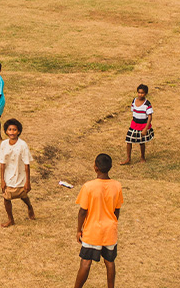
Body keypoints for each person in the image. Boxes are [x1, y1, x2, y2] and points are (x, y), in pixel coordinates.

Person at [73, 153, 123, 288]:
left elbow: (83, 211)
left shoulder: (89, 186)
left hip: (92, 231)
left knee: (85, 262)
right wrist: (112, 222)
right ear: (110, 167)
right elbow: (117, 210)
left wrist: (79, 230)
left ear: (95, 167)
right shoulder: (117, 186)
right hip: (110, 231)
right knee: (110, 262)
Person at [0, 118, 34, 227]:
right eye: (10, 129)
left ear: (18, 131)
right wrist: (2, 180)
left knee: (23, 195)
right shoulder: (4, 144)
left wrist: (28, 181)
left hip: (20, 175)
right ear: (6, 131)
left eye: (14, 130)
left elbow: (27, 164)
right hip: (8, 176)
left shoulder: (23, 145)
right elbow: (2, 163)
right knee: (6, 198)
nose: (12, 132)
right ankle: (11, 219)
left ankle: (29, 206)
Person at [121, 84, 154, 165]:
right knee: (128, 140)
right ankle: (128, 158)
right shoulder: (134, 101)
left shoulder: (147, 104)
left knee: (142, 142)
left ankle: (142, 157)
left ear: (146, 93)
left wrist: (146, 128)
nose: (140, 94)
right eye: (139, 93)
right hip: (134, 124)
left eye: (142, 93)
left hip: (143, 125)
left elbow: (150, 116)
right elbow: (133, 111)